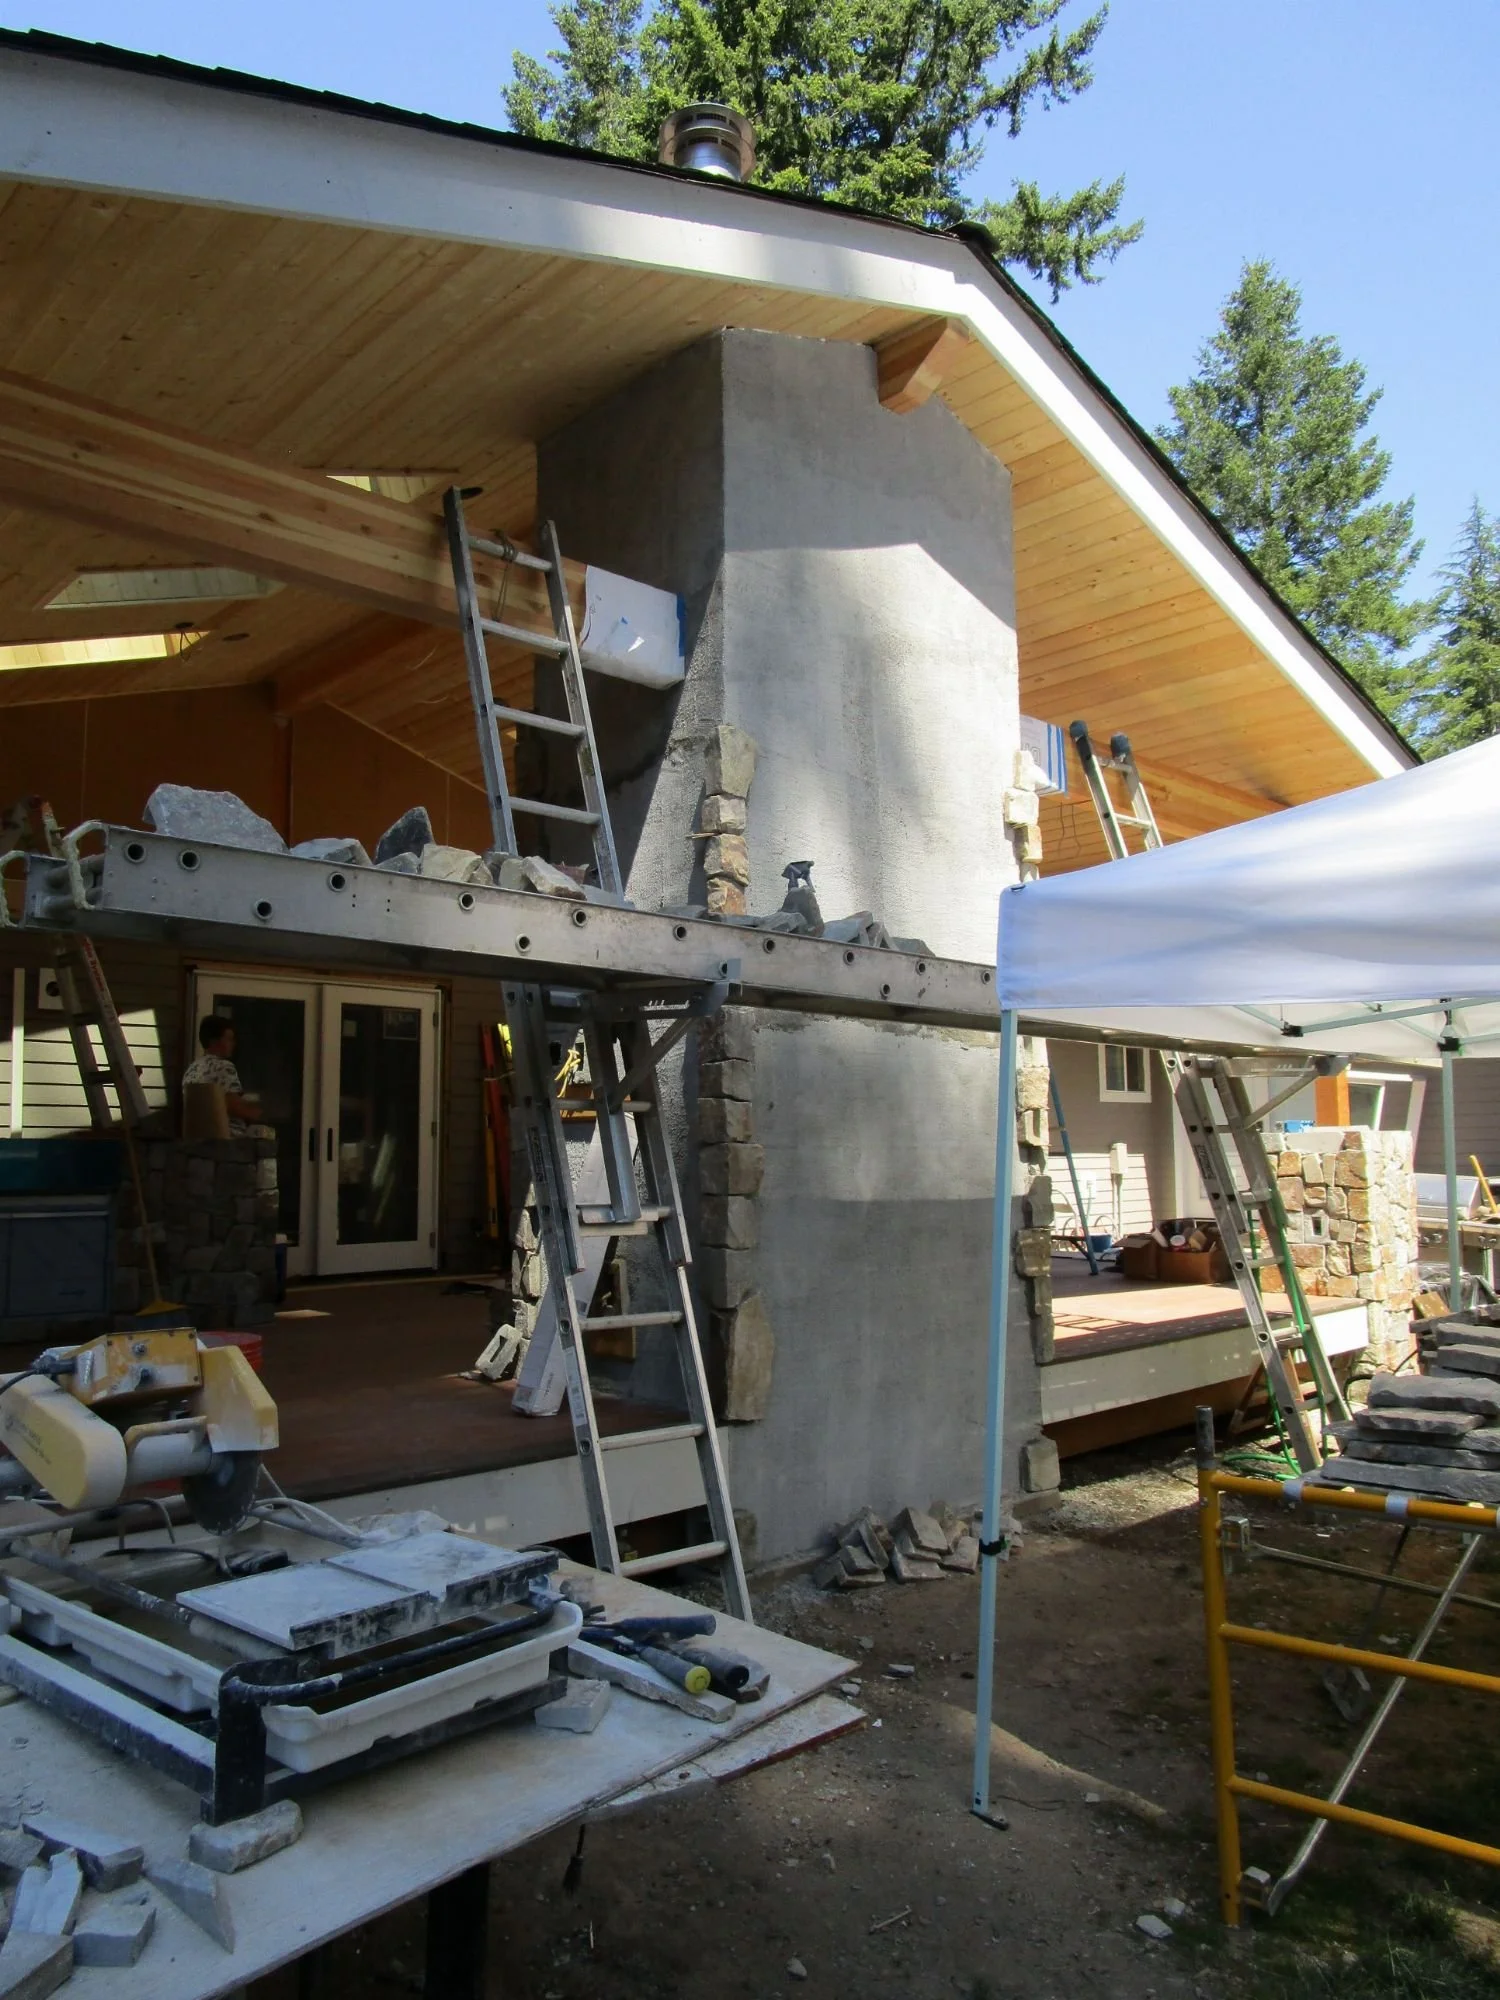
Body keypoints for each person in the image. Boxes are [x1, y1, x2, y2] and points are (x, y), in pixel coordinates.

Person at [183, 1016, 261, 1134]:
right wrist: (256, 1112)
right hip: (227, 1138)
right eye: (229, 1039)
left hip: (197, 1138)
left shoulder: (191, 1070)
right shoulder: (224, 1066)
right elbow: (233, 1106)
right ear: (214, 1041)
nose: (233, 1044)